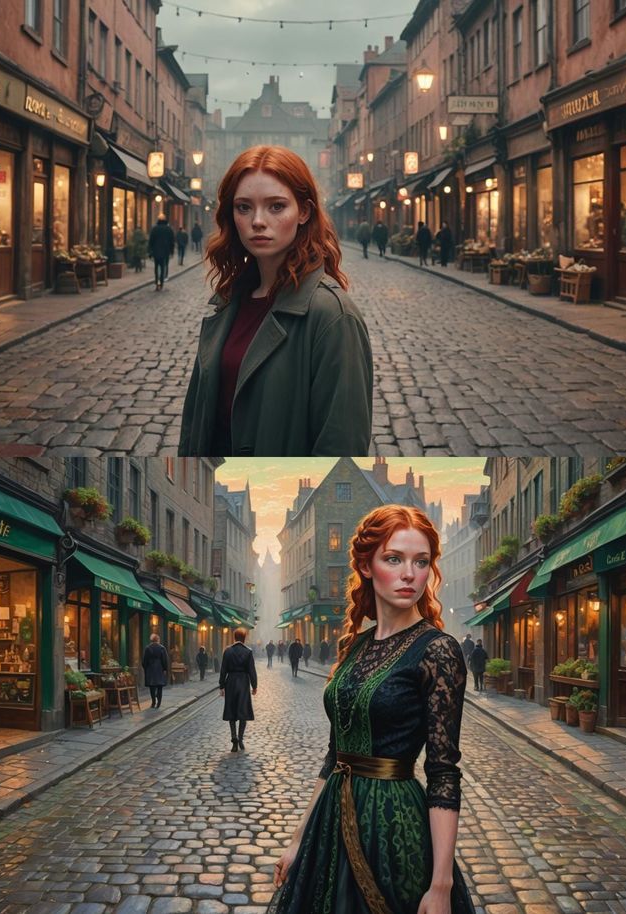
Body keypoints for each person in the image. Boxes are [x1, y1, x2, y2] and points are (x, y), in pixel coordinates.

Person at [269, 505, 476, 914]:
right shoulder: (355, 646)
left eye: (421, 562)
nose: (409, 574)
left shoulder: (438, 651)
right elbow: (334, 755)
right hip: (329, 823)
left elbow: (443, 772)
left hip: (393, 826)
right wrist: (297, 840)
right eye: (394, 559)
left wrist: (441, 885)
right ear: (366, 566)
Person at [178, 145, 372, 457]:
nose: (257, 221)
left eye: (276, 206)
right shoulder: (230, 301)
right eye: (244, 207)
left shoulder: (332, 315)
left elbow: (340, 452)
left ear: (304, 212)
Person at [219, 628, 257, 752]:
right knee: (243, 712)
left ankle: (234, 738)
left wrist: (222, 686)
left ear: (234, 637)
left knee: (231, 711)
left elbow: (223, 670)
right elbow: (252, 671)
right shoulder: (248, 652)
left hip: (231, 682)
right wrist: (254, 686)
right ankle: (240, 739)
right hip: (243, 683)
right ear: (244, 638)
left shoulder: (227, 651)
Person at [142, 634, 170, 708]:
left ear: (151, 640)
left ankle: (153, 702)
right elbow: (165, 660)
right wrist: (165, 669)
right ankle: (159, 703)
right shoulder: (162, 648)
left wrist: (146, 668)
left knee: (152, 686)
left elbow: (144, 661)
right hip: (159, 669)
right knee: (159, 686)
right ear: (158, 640)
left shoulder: (148, 648)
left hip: (150, 669)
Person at [149, 215, 176, 290]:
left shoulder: (154, 229)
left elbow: (151, 241)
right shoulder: (168, 229)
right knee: (163, 266)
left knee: (156, 267)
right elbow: (172, 241)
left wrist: (150, 252)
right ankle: (161, 283)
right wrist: (171, 252)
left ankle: (157, 282)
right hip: (165, 251)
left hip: (156, 251)